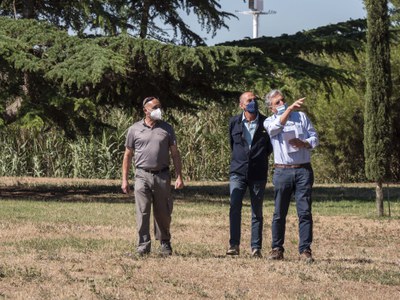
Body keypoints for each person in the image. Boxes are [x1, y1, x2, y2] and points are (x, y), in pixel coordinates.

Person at [121, 96, 184, 256]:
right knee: (142, 212)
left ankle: (165, 243)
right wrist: (124, 180)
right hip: (142, 175)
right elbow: (128, 155)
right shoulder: (134, 129)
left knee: (163, 212)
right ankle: (143, 246)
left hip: (162, 175)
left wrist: (179, 176)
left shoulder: (167, 128)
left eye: (159, 107)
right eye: (155, 107)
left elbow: (175, 154)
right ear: (145, 110)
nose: (158, 110)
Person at [263, 89, 319, 262]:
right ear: (271, 108)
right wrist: (288, 110)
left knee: (304, 212)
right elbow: (276, 129)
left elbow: (315, 137)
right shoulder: (269, 121)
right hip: (282, 171)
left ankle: (305, 251)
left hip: (303, 169)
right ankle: (277, 249)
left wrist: (304, 143)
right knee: (279, 212)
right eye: (277, 103)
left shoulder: (301, 117)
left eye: (283, 100)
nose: (282, 103)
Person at [226, 91, 272, 257]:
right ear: (241, 105)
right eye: (249, 100)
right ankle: (234, 245)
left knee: (256, 211)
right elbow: (233, 145)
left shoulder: (267, 123)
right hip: (238, 171)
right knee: (234, 207)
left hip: (258, 172)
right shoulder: (234, 122)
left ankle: (256, 247)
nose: (253, 102)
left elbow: (269, 148)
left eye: (255, 100)